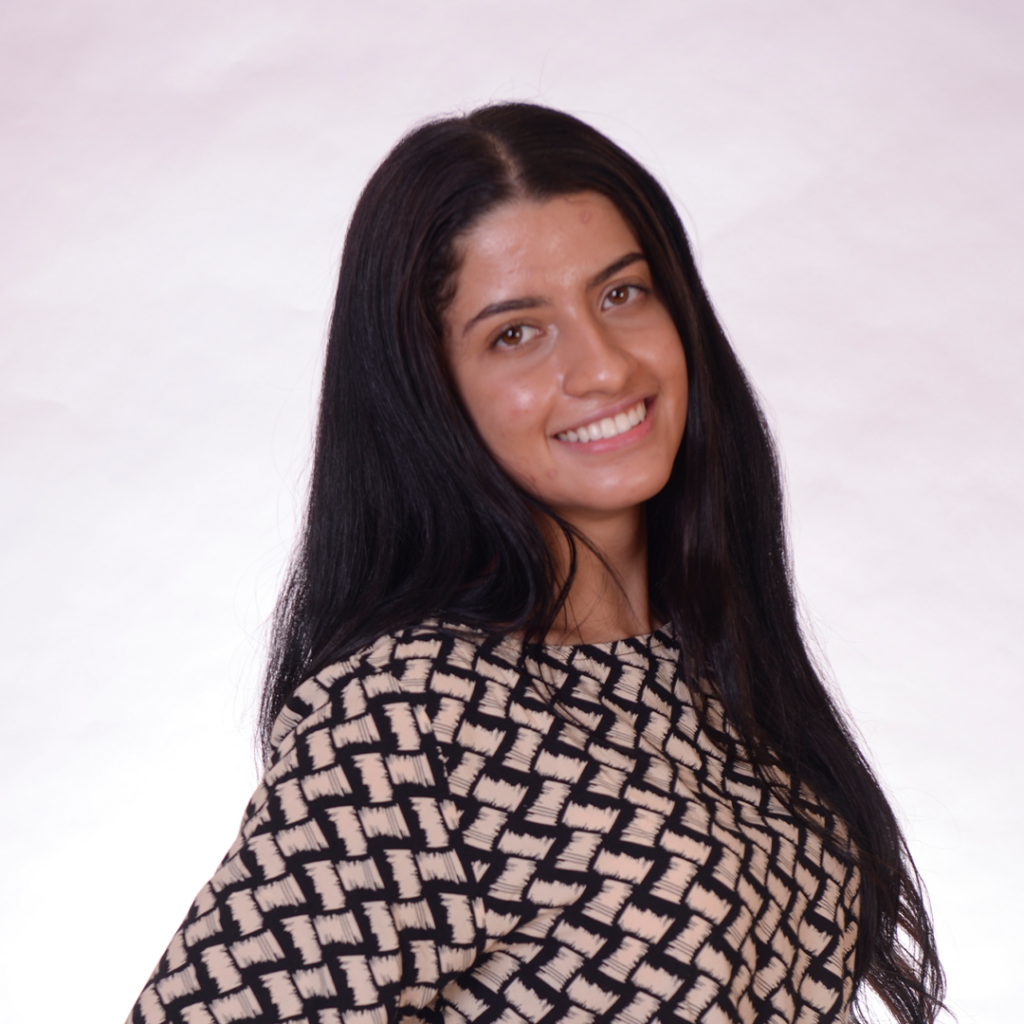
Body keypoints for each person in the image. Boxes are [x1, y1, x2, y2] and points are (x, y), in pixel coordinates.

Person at [126, 103, 945, 1024]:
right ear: (431, 392)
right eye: (516, 333)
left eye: (622, 294)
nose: (602, 367)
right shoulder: (412, 718)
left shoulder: (711, 667)